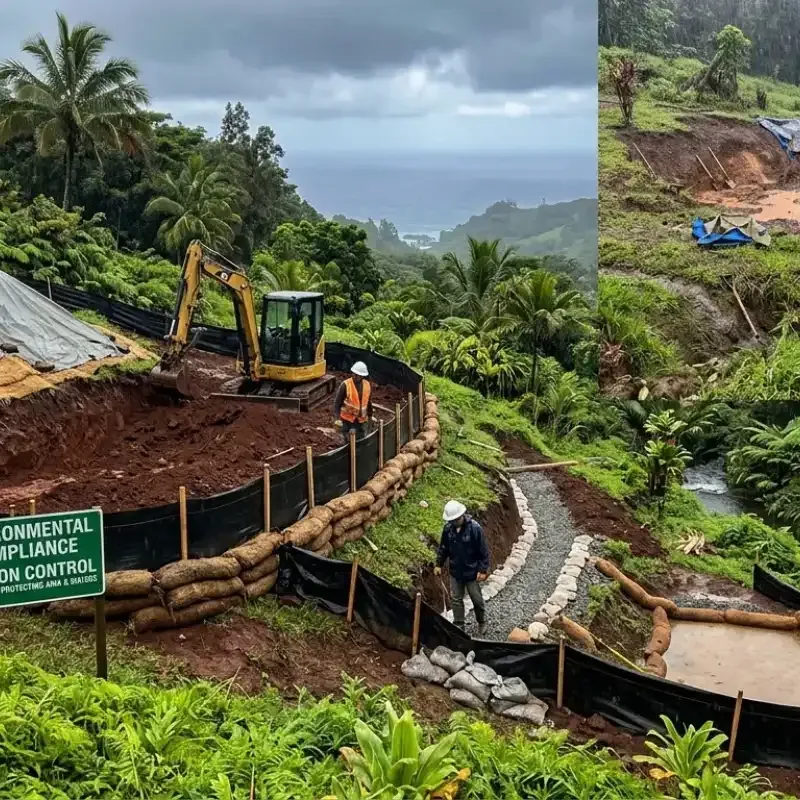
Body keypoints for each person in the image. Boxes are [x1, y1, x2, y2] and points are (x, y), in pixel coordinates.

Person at [434, 500, 489, 635]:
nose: (454, 522)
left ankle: (482, 621)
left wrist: (482, 570)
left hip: (472, 572)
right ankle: (459, 625)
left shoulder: (474, 529)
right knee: (456, 600)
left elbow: (483, 551)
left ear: (462, 515)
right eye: (452, 520)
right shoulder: (448, 529)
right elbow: (444, 548)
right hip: (456, 572)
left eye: (456, 519)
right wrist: (438, 564)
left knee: (477, 599)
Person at [334, 361, 373, 443]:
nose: (355, 376)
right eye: (354, 374)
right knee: (347, 441)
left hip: (361, 420)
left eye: (357, 375)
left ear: (362, 376)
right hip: (347, 419)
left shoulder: (367, 385)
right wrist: (337, 418)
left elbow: (368, 401)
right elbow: (337, 403)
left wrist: (370, 415)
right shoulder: (345, 385)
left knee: (361, 440)